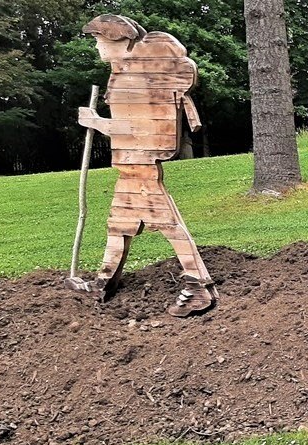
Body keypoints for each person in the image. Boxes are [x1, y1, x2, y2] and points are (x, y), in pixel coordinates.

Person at [68, 14, 217, 317]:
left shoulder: (140, 82)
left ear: (118, 40)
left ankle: (199, 285)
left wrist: (96, 123)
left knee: (169, 225)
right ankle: (103, 283)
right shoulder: (125, 76)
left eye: (99, 41)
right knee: (118, 225)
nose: (97, 48)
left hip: (142, 167)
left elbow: (137, 131)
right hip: (129, 168)